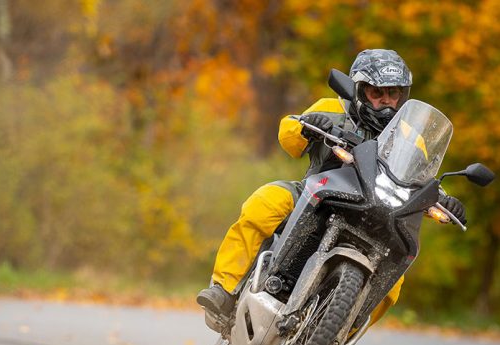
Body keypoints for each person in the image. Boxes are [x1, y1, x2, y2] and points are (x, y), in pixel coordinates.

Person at [197, 49, 466, 324]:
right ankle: (224, 289)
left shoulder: (412, 138)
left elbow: (421, 178)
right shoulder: (331, 107)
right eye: (377, 93)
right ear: (359, 90)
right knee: (265, 203)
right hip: (315, 193)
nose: (387, 102)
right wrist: (306, 126)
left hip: (377, 217)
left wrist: (442, 199)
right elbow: (289, 134)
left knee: (393, 281)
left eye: (394, 94)